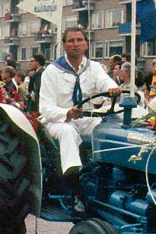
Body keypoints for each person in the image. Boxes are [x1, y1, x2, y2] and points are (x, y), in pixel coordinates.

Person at [39, 26, 121, 213]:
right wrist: (67, 113)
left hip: (86, 118)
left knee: (108, 131)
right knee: (68, 133)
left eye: (79, 40)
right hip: (59, 121)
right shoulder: (52, 71)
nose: (76, 44)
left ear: (86, 44)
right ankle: (76, 191)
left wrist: (112, 87)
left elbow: (104, 82)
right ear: (64, 45)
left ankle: (107, 179)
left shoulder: (94, 67)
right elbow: (45, 108)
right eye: (71, 41)